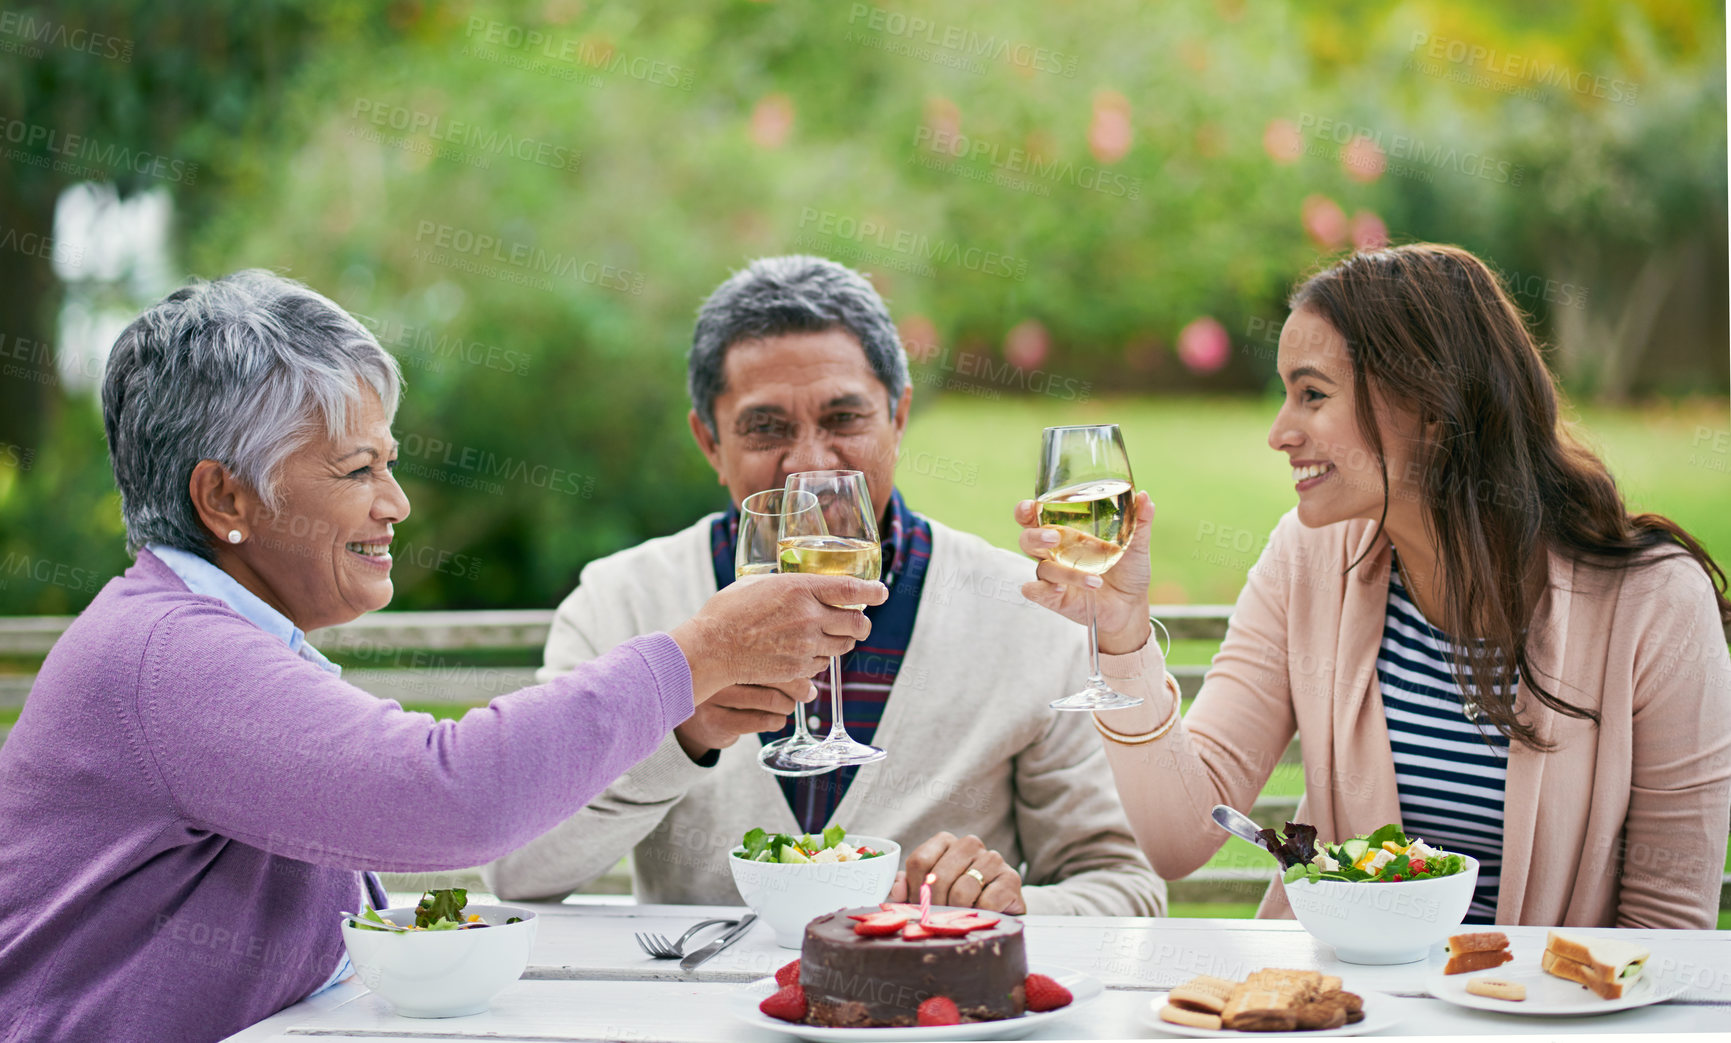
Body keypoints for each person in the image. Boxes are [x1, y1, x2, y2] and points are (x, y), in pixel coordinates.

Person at [0, 271, 885, 1043]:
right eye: (356, 470)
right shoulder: (169, 654)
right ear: (224, 493)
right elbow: (447, 795)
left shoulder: (196, 631)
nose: (396, 503)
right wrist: (695, 653)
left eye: (390, 462)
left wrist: (682, 706)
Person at [1016, 242, 1731, 927]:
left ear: (1426, 404)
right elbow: (1180, 837)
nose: (1278, 431)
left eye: (1311, 394)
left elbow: (1665, 927)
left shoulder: (1654, 605)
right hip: (1342, 1009)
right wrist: (1123, 633)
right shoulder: (1306, 558)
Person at [483, 256, 1163, 916]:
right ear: (709, 442)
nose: (809, 463)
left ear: (898, 417)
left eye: (843, 419)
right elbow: (517, 866)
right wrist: (678, 732)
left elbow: (1121, 889)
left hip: (927, 1015)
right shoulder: (618, 602)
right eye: (766, 427)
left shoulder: (1025, 611)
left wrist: (1010, 906)